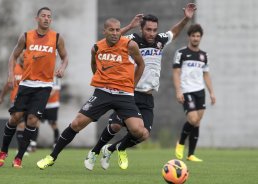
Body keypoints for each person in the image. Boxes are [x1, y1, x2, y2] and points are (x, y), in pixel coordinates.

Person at [84, 3, 197, 170]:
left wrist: (186, 19)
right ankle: (94, 151)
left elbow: (174, 32)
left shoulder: (159, 41)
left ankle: (114, 149)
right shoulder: (132, 41)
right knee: (115, 125)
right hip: (129, 94)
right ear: (142, 29)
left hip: (147, 96)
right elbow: (111, 39)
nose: (151, 33)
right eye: (148, 29)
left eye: (154, 29)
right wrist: (129, 26)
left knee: (143, 134)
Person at [37, 17, 145, 170]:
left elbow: (141, 64)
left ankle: (115, 149)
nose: (115, 33)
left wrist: (132, 86)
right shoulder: (96, 48)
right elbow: (94, 65)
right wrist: (100, 80)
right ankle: (51, 157)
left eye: (117, 30)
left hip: (124, 95)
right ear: (104, 31)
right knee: (76, 123)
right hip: (103, 93)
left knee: (139, 131)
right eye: (111, 30)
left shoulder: (130, 45)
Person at [0, 7, 69, 168]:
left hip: (44, 86)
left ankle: (19, 157)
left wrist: (62, 67)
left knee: (32, 120)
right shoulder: (26, 36)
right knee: (15, 118)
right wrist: (10, 74)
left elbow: (65, 56)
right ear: (37, 19)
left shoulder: (56, 38)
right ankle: (3, 150)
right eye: (43, 16)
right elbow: (13, 55)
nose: (46, 18)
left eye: (49, 16)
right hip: (26, 84)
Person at [173, 24, 216, 162]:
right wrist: (179, 90)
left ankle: (191, 154)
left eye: (198, 36)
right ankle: (180, 143)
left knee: (197, 122)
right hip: (186, 90)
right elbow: (176, 72)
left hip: (200, 91)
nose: (196, 38)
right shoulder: (181, 53)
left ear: (200, 37)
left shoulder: (204, 55)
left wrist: (212, 93)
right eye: (193, 36)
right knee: (192, 119)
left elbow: (206, 74)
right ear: (189, 37)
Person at [40, 76, 62, 148]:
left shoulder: (55, 77)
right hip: (41, 105)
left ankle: (56, 143)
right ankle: (32, 144)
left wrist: (43, 97)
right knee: (35, 122)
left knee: (53, 123)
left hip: (52, 105)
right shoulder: (40, 75)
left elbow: (54, 90)